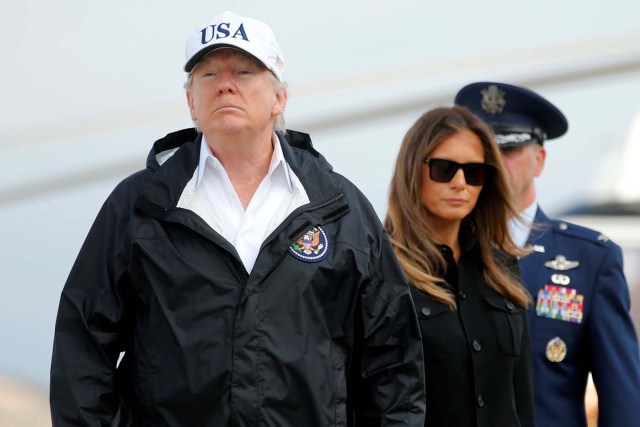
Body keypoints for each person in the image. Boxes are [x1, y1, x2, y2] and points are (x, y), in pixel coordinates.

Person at [50, 10, 426, 426]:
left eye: (244, 71)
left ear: (279, 97)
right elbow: (81, 351)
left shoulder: (339, 208)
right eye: (208, 74)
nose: (225, 83)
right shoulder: (140, 205)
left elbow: (394, 363)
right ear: (191, 101)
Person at [455, 81, 640, 427]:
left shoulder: (590, 260)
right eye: (483, 151)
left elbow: (622, 401)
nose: (494, 163)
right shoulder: (436, 253)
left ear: (539, 160)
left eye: (507, 150)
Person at [385, 106, 535, 426]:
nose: (460, 183)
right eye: (444, 168)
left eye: (474, 172)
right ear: (414, 170)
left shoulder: (503, 270)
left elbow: (521, 397)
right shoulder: (381, 271)